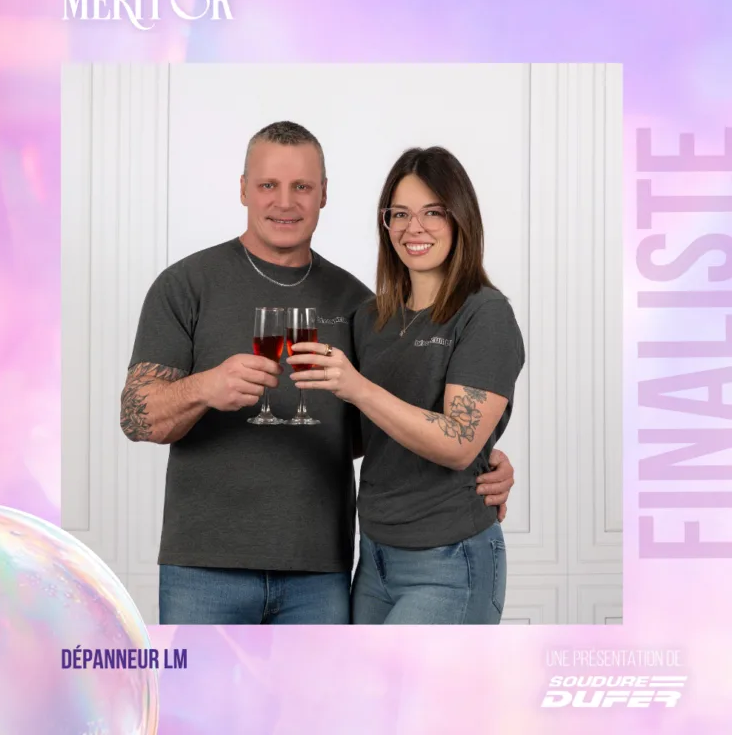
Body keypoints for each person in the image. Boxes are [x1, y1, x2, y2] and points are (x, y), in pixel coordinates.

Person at [121, 122, 518, 625]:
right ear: (243, 189)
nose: (285, 202)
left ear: (324, 194)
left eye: (302, 186)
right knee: (202, 684)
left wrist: (483, 459)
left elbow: (382, 424)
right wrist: (205, 388)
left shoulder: (360, 306)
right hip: (204, 568)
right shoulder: (185, 285)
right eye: (268, 185)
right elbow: (135, 419)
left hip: (322, 574)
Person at [287, 146, 525, 624]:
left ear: (461, 219)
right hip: (372, 557)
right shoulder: (370, 318)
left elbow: (458, 445)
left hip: (450, 560)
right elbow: (362, 435)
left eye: (433, 212)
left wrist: (358, 387)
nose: (413, 228)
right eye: (400, 214)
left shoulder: (485, 314)